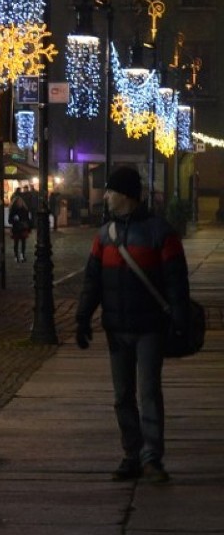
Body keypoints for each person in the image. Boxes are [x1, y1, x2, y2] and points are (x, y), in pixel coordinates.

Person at [75, 165, 191, 484]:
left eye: (110, 191)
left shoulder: (159, 233)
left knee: (149, 391)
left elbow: (175, 282)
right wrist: (82, 317)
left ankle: (150, 456)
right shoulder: (105, 236)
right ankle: (132, 453)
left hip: (150, 327)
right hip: (116, 328)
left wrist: (179, 319)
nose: (106, 197)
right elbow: (92, 282)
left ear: (125, 195)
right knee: (122, 394)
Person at [8, 193, 32, 262]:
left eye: (20, 202)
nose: (19, 203)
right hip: (16, 228)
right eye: (18, 202)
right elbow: (10, 220)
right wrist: (14, 219)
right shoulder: (13, 210)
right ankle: (16, 256)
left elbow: (28, 220)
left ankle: (22, 255)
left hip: (23, 228)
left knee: (23, 242)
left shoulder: (25, 210)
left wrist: (29, 228)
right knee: (16, 243)